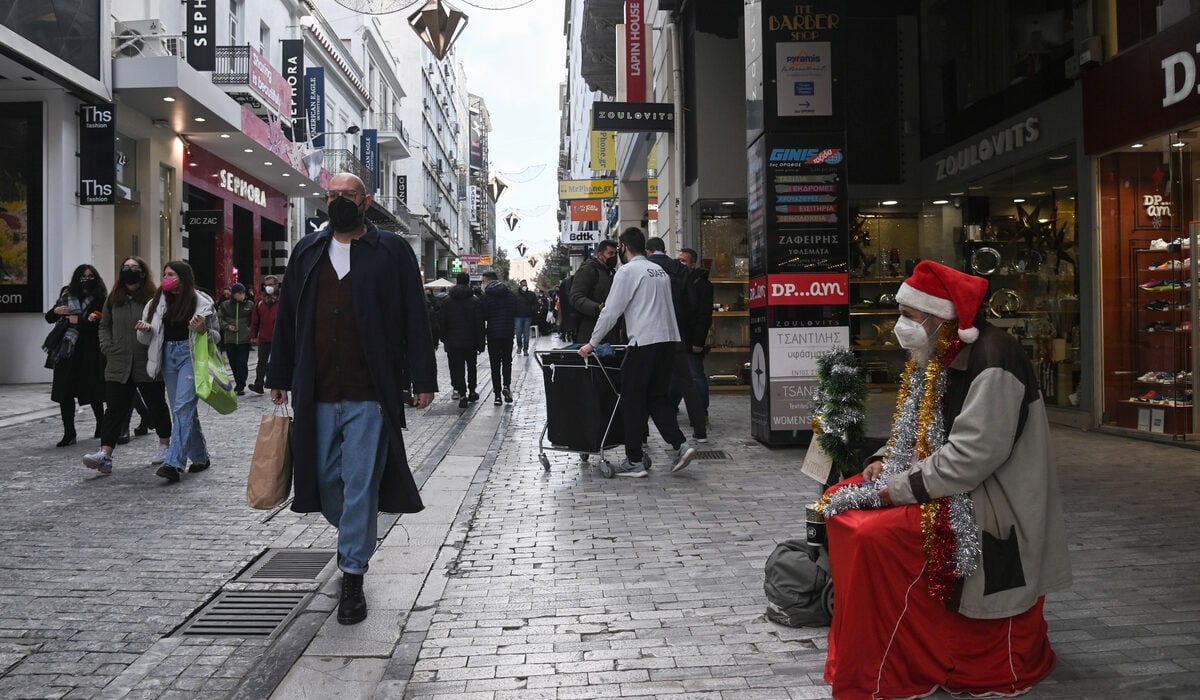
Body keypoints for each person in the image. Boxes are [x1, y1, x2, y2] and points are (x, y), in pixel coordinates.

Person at [819, 261, 1071, 699]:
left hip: (989, 501)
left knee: (874, 534)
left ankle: (896, 655)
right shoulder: (935, 351)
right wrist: (883, 459)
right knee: (842, 501)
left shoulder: (993, 360)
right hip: (944, 481)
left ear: (939, 316)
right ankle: (876, 646)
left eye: (908, 316)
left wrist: (892, 490)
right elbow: (913, 427)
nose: (900, 326)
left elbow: (969, 459)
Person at [267, 173, 437, 626]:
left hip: (370, 393)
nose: (338, 202)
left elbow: (414, 318)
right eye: (331, 196)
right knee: (324, 483)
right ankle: (355, 537)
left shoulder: (393, 252)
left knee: (361, 483)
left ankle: (353, 575)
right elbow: (288, 319)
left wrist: (423, 377)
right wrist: (278, 373)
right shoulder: (307, 251)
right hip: (317, 389)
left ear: (366, 201)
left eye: (347, 195)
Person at [578, 227, 698, 477]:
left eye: (618, 249)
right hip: (668, 341)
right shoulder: (659, 271)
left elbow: (611, 311)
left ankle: (633, 460)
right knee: (656, 397)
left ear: (623, 246)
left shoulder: (628, 272)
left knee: (631, 400)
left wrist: (592, 342)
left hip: (644, 342)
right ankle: (680, 445)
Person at [83, 257, 172, 475]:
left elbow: (163, 324)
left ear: (143, 272)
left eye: (134, 268)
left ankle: (165, 445)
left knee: (156, 404)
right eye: (125, 268)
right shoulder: (114, 298)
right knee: (114, 410)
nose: (129, 271)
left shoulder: (154, 298)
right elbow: (104, 325)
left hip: (146, 361)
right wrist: (106, 346)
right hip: (118, 361)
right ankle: (105, 454)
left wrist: (150, 332)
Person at [136, 261, 221, 483]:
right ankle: (200, 457)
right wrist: (144, 330)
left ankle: (174, 463)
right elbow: (145, 339)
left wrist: (203, 330)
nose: (166, 277)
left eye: (171, 274)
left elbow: (216, 337)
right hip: (167, 357)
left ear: (183, 277)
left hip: (190, 356)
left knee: (183, 407)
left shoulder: (201, 302)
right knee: (181, 410)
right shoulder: (155, 303)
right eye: (164, 273)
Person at [645, 237, 706, 443]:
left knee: (645, 382)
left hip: (650, 334)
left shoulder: (644, 267)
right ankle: (700, 430)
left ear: (648, 251)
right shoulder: (678, 268)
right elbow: (691, 303)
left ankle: (643, 435)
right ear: (664, 249)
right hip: (676, 332)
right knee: (687, 384)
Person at [44, 264, 108, 447]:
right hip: (66, 349)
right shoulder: (66, 293)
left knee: (93, 390)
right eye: (83, 276)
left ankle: (101, 424)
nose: (86, 279)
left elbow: (97, 325)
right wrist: (56, 311)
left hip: (89, 349)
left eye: (90, 276)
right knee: (65, 392)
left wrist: (77, 321)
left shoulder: (99, 298)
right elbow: (50, 318)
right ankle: (69, 432)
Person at [673, 247, 714, 440]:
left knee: (695, 376)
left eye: (683, 261)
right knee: (673, 377)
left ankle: (701, 412)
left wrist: (699, 341)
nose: (679, 263)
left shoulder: (703, 285)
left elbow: (704, 316)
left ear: (692, 264)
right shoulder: (677, 281)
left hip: (691, 340)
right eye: (678, 260)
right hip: (676, 338)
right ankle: (672, 407)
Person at [438, 272, 485, 408]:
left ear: (457, 282)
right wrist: (481, 343)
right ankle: (472, 390)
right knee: (471, 367)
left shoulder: (447, 301)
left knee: (457, 368)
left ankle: (462, 394)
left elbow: (443, 321)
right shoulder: (475, 300)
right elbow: (479, 324)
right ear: (468, 282)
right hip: (471, 341)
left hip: (453, 341)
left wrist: (444, 338)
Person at [570, 240, 619, 346]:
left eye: (615, 254)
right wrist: (597, 308)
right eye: (610, 254)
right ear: (600, 255)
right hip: (590, 329)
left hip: (609, 329)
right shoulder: (588, 270)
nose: (614, 257)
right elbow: (575, 296)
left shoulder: (610, 272)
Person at [480, 271, 517, 406]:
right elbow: (516, 310)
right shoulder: (510, 294)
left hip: (493, 334)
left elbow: (484, 315)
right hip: (507, 332)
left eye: (483, 281)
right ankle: (506, 386)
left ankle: (497, 395)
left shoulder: (486, 296)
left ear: (488, 281)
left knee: (495, 365)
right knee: (507, 362)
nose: (482, 284)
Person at [218, 282, 254, 395]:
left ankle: (240, 385)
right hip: (230, 339)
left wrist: (250, 330)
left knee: (242, 362)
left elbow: (254, 320)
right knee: (233, 362)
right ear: (234, 294)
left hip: (244, 339)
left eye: (243, 293)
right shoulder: (225, 305)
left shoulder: (250, 305)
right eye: (239, 293)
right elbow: (219, 318)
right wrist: (227, 326)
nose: (242, 295)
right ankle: (238, 382)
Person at [248, 275, 280, 394]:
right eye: (266, 285)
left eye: (271, 284)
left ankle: (276, 384)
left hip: (278, 338)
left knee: (276, 362)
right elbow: (255, 320)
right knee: (261, 361)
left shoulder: (282, 301)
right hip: (264, 337)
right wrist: (253, 335)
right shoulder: (260, 302)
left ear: (276, 286)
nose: (268, 287)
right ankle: (259, 384)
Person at [513, 280, 538, 356]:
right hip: (518, 316)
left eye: (526, 285)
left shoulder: (531, 294)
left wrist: (531, 310)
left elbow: (535, 304)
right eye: (523, 285)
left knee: (526, 334)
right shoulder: (515, 295)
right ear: (520, 285)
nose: (524, 287)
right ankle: (519, 346)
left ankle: (526, 349)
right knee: (518, 333)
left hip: (527, 316)